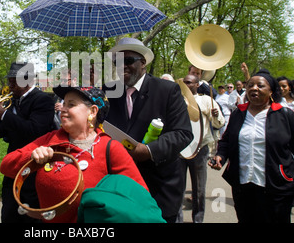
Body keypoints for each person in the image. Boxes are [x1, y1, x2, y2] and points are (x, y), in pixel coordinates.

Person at [0, 86, 148, 223]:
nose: (63, 109)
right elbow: (6, 165)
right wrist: (32, 157)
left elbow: (140, 196)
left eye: (71, 105)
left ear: (93, 112)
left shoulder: (110, 148)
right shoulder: (51, 139)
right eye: (63, 104)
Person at [103, 37, 193, 223]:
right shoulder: (108, 91)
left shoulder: (168, 90)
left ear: (143, 63)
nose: (123, 66)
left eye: (128, 61)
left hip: (159, 188)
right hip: (121, 188)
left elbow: (183, 133)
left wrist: (149, 150)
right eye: (117, 62)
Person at [210, 69, 294, 223]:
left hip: (276, 187)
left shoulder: (285, 115)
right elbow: (227, 140)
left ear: (270, 91)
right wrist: (220, 155)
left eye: (260, 86)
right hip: (243, 186)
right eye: (250, 85)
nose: (254, 88)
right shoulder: (238, 114)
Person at [0, 62, 55, 223]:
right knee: (9, 214)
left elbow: (36, 132)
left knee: (30, 216)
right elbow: (1, 132)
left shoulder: (42, 99)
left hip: (34, 166)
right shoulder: (12, 100)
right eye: (10, 81)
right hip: (14, 165)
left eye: (14, 81)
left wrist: (4, 115)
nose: (10, 85)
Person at [177, 74, 224, 223]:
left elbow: (219, 124)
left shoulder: (207, 100)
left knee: (199, 189)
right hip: (179, 150)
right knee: (178, 188)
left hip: (200, 149)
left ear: (197, 85)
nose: (186, 84)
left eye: (189, 82)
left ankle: (198, 219)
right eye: (184, 82)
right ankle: (177, 219)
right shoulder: (176, 100)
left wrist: (215, 116)